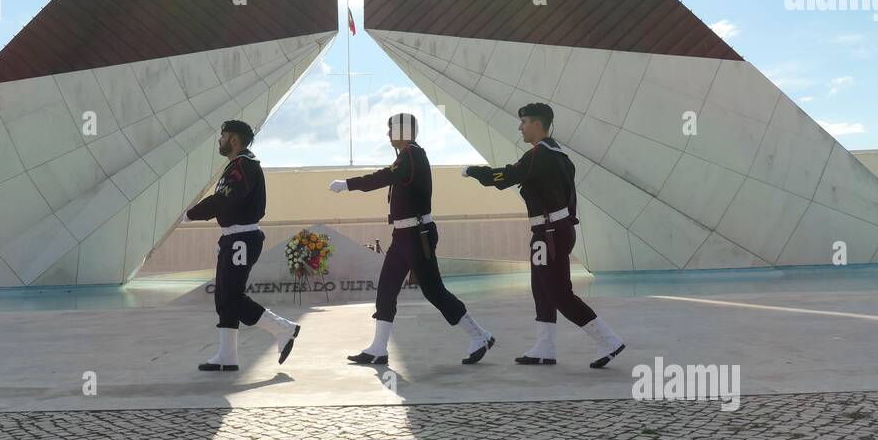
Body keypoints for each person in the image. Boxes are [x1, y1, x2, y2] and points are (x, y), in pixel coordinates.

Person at [463, 102, 626, 368]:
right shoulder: (560, 156)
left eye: (524, 122)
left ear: (537, 124)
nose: (520, 127)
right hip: (553, 231)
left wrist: (473, 171)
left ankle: (608, 340)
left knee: (559, 293)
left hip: (549, 233)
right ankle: (545, 348)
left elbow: (505, 177)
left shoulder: (539, 155)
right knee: (542, 290)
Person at [329, 113, 495, 365]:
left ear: (404, 131)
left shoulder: (413, 155)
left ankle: (479, 334)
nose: (388, 135)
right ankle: (378, 348)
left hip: (418, 235)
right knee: (387, 288)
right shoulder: (407, 156)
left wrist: (348, 184)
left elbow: (384, 176)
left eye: (391, 129)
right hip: (403, 235)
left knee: (434, 291)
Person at [184, 120, 300, 371]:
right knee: (224, 298)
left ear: (234, 140)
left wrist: (191, 214)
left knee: (232, 296)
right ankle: (227, 356)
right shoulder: (237, 166)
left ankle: (283, 328)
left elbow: (225, 198)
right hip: (233, 237)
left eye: (223, 135)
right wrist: (224, 238)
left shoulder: (244, 166)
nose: (220, 140)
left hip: (242, 238)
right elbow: (227, 203)